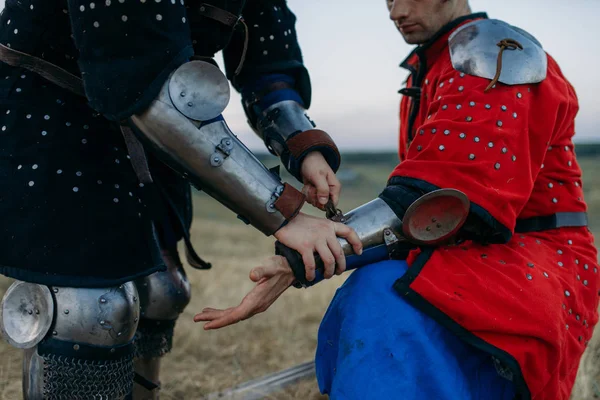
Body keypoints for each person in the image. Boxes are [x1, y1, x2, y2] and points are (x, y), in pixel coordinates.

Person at [195, 1, 599, 399]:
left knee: (382, 296)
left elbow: (431, 202)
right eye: (388, 0)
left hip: (533, 257)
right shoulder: (434, 65)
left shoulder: (492, 56)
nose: (394, 11)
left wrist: (299, 261)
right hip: (476, 255)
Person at [0, 0, 364, 398]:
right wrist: (285, 214)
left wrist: (303, 147)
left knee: (160, 290)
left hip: (155, 129)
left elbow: (268, 59)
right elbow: (144, 79)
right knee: (87, 310)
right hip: (56, 112)